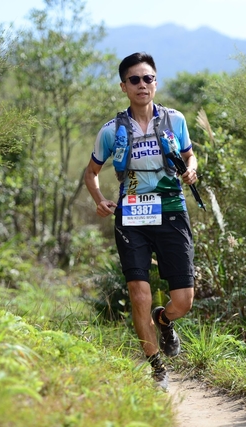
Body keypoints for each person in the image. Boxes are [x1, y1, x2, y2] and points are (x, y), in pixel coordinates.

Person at [84, 52, 198, 390]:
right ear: (124, 87)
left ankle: (164, 320)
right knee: (139, 294)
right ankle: (157, 369)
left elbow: (189, 154)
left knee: (184, 301)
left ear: (156, 83)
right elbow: (91, 173)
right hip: (131, 216)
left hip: (172, 210)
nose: (142, 85)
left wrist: (191, 170)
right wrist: (100, 200)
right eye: (134, 80)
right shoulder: (111, 131)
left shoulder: (175, 120)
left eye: (148, 78)